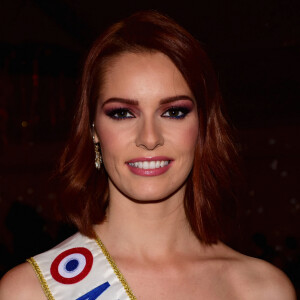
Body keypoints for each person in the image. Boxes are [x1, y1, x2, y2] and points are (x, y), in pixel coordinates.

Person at [0, 10, 296, 300]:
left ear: (202, 126)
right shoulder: (28, 291)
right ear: (93, 130)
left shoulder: (262, 290)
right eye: (123, 113)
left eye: (174, 111)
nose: (149, 138)